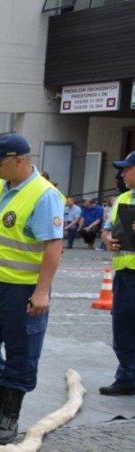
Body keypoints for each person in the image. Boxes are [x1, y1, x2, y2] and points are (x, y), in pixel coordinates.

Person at [0, 133, 64, 445]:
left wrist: (42, 291)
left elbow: (53, 246)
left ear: (18, 161)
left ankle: (9, 414)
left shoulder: (44, 195)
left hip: (22, 290)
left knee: (21, 353)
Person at [98, 151, 135, 396]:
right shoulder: (123, 198)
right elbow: (107, 229)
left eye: (127, 169)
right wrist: (107, 239)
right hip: (126, 274)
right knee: (123, 326)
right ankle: (128, 377)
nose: (122, 174)